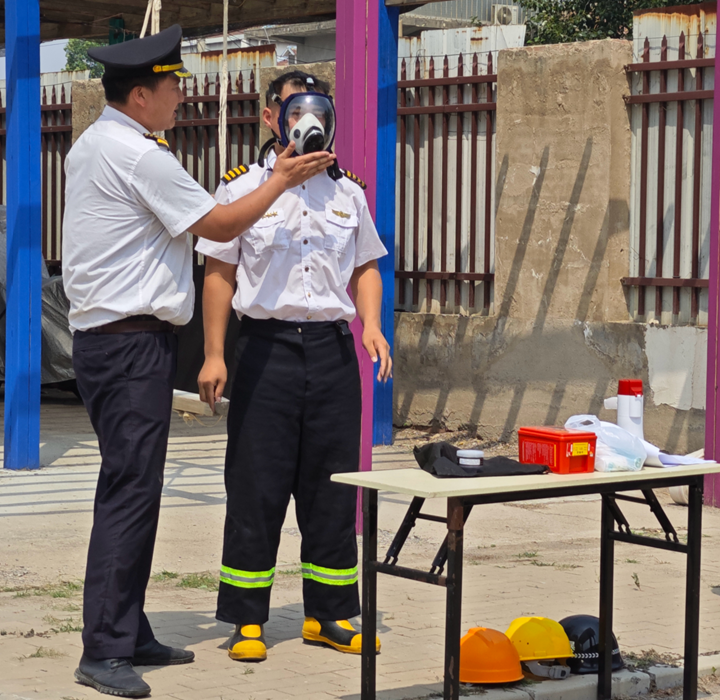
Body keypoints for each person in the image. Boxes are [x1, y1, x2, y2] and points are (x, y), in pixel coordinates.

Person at [62, 28, 334, 699]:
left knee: (135, 487)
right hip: (128, 345)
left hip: (113, 340)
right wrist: (280, 180)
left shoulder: (96, 142)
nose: (180, 98)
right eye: (172, 87)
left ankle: (128, 629)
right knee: (130, 491)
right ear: (141, 94)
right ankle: (104, 650)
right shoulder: (138, 156)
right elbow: (219, 226)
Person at [196, 70, 392, 663]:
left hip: (332, 351)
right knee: (256, 486)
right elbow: (220, 273)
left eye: (318, 110)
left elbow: (366, 265)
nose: (308, 121)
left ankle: (328, 615)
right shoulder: (242, 189)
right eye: (294, 109)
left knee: (332, 488)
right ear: (270, 118)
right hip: (266, 350)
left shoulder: (347, 193)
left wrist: (372, 324)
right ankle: (247, 619)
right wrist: (213, 353)